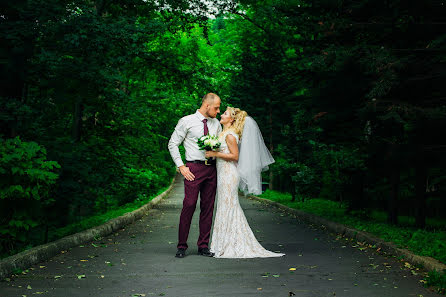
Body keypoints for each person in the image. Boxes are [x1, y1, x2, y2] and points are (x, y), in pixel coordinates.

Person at [205, 106, 285, 258]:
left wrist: (215, 153)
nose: (222, 115)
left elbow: (235, 156)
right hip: (223, 174)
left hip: (229, 174)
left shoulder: (229, 135)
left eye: (225, 113)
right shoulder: (223, 133)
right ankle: (222, 243)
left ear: (232, 119)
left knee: (229, 205)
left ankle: (231, 243)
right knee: (225, 206)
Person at [168, 93, 222, 258]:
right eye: (216, 107)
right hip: (193, 169)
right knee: (189, 204)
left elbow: (220, 147)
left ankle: (203, 246)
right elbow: (173, 143)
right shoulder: (187, 121)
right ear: (207, 106)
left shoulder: (217, 125)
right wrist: (181, 166)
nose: (218, 111)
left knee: (208, 207)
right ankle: (182, 246)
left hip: (211, 169)